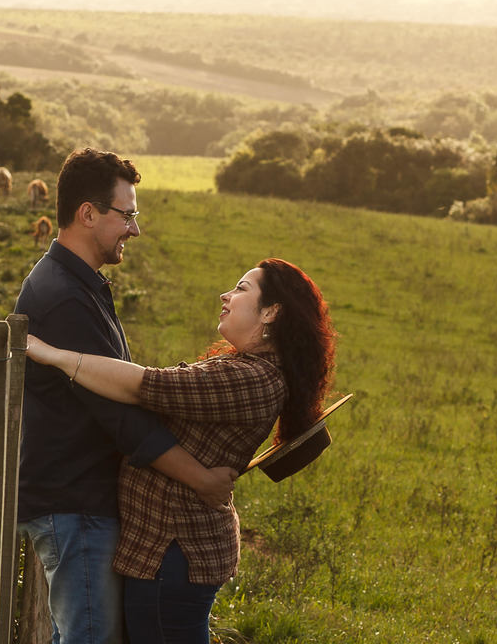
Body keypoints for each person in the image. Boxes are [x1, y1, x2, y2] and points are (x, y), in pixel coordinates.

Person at [26, 257, 337, 644]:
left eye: (241, 289)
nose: (226, 295)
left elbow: (141, 386)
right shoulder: (246, 367)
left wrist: (53, 355)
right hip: (170, 551)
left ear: (271, 312)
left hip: (173, 552)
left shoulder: (250, 378)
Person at [15, 148, 237, 644]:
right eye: (127, 215)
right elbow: (120, 417)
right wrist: (201, 478)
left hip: (79, 499)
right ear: (88, 214)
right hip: (75, 503)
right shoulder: (66, 296)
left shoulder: (79, 283)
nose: (135, 229)